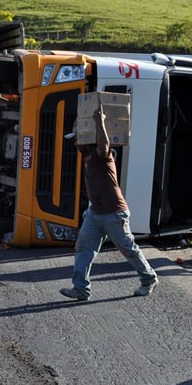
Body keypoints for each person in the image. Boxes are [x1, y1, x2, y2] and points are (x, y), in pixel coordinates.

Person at [60, 108, 158, 301]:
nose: (75, 142)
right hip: (95, 213)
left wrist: (100, 122)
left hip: (114, 213)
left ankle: (148, 279)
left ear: (88, 137)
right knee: (83, 247)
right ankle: (80, 288)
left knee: (127, 249)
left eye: (78, 137)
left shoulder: (101, 154)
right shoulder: (86, 156)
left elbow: (104, 145)